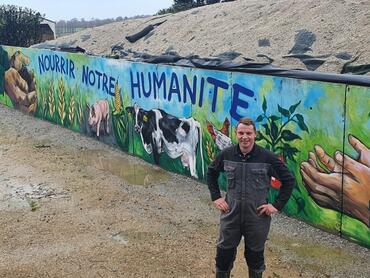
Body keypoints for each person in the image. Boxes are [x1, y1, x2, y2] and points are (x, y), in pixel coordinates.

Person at [207, 117, 295, 278]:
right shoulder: (227, 154)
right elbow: (211, 172)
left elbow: (289, 180)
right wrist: (216, 197)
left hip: (257, 218)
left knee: (255, 258)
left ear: (255, 134)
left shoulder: (267, 158)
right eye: (241, 133)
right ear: (236, 133)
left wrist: (276, 206)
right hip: (231, 215)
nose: (244, 137)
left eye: (248, 133)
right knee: (223, 256)